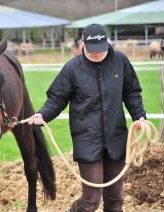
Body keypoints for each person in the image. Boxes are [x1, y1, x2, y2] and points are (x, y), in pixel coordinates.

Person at [28, 23, 146, 212]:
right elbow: (57, 98)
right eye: (93, 50)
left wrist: (139, 117)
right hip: (87, 140)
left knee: (115, 201)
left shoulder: (121, 62)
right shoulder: (72, 68)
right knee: (91, 201)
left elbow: (132, 92)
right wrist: (43, 114)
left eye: (101, 49)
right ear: (82, 44)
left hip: (116, 138)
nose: (97, 54)